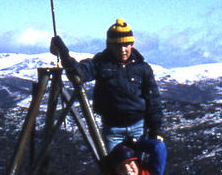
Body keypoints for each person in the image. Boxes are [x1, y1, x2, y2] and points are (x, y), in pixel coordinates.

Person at [50, 18, 163, 150]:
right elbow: (79, 73)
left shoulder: (142, 68)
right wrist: (64, 54)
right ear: (109, 46)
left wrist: (156, 130)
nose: (123, 49)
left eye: (126, 45)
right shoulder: (100, 63)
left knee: (138, 170)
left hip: (139, 128)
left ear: (132, 45)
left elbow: (153, 100)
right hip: (112, 130)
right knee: (112, 169)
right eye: (118, 45)